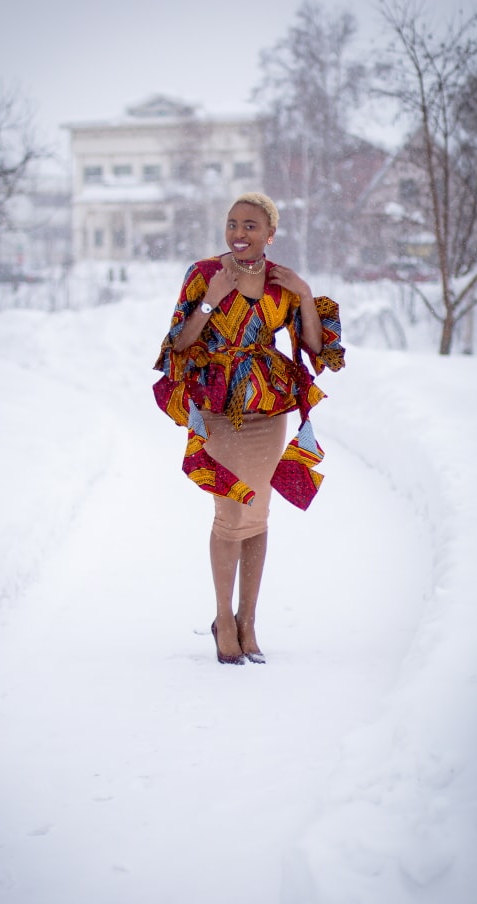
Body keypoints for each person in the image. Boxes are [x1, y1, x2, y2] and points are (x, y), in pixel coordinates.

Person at [153, 193, 345, 665]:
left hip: (268, 404)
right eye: (233, 223)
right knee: (231, 510)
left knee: (258, 510)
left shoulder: (282, 282)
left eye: (251, 226)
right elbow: (178, 343)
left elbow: (317, 346)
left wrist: (303, 293)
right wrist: (210, 303)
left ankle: (248, 621)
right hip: (219, 403)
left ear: (270, 234)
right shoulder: (204, 275)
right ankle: (222, 618)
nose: (239, 233)